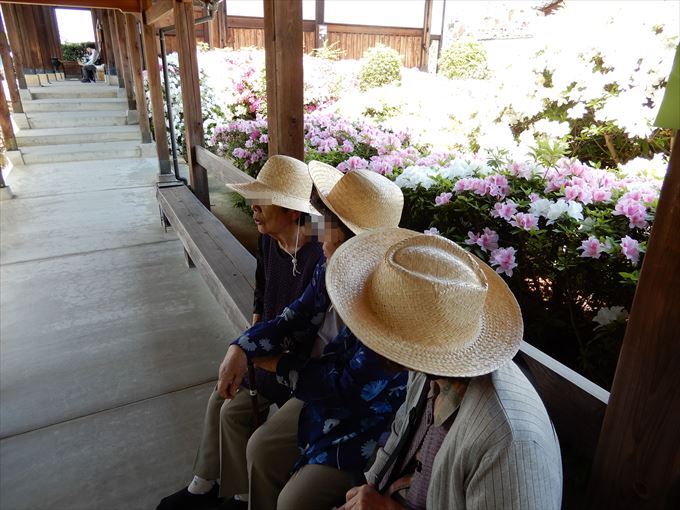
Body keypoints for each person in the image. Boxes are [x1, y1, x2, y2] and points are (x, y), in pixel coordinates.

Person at [216, 163, 408, 510]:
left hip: (365, 422)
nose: (318, 230)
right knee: (260, 448)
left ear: (351, 236)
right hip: (317, 391)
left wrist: (277, 364)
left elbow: (347, 390)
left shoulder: (386, 302)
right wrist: (240, 348)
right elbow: (293, 318)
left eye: (326, 223)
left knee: (294, 500)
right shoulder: (330, 266)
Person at [333, 228, 563, 510]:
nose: (366, 338)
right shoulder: (431, 368)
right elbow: (400, 432)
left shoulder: (509, 442)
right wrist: (370, 487)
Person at [157, 155, 323, 510]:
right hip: (265, 345)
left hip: (289, 359)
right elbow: (262, 291)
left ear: (293, 211)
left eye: (262, 203)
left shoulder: (316, 258)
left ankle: (239, 494)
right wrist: (252, 329)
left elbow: (303, 326)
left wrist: (252, 349)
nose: (254, 210)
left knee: (231, 410)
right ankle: (204, 483)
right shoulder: (268, 241)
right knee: (220, 395)